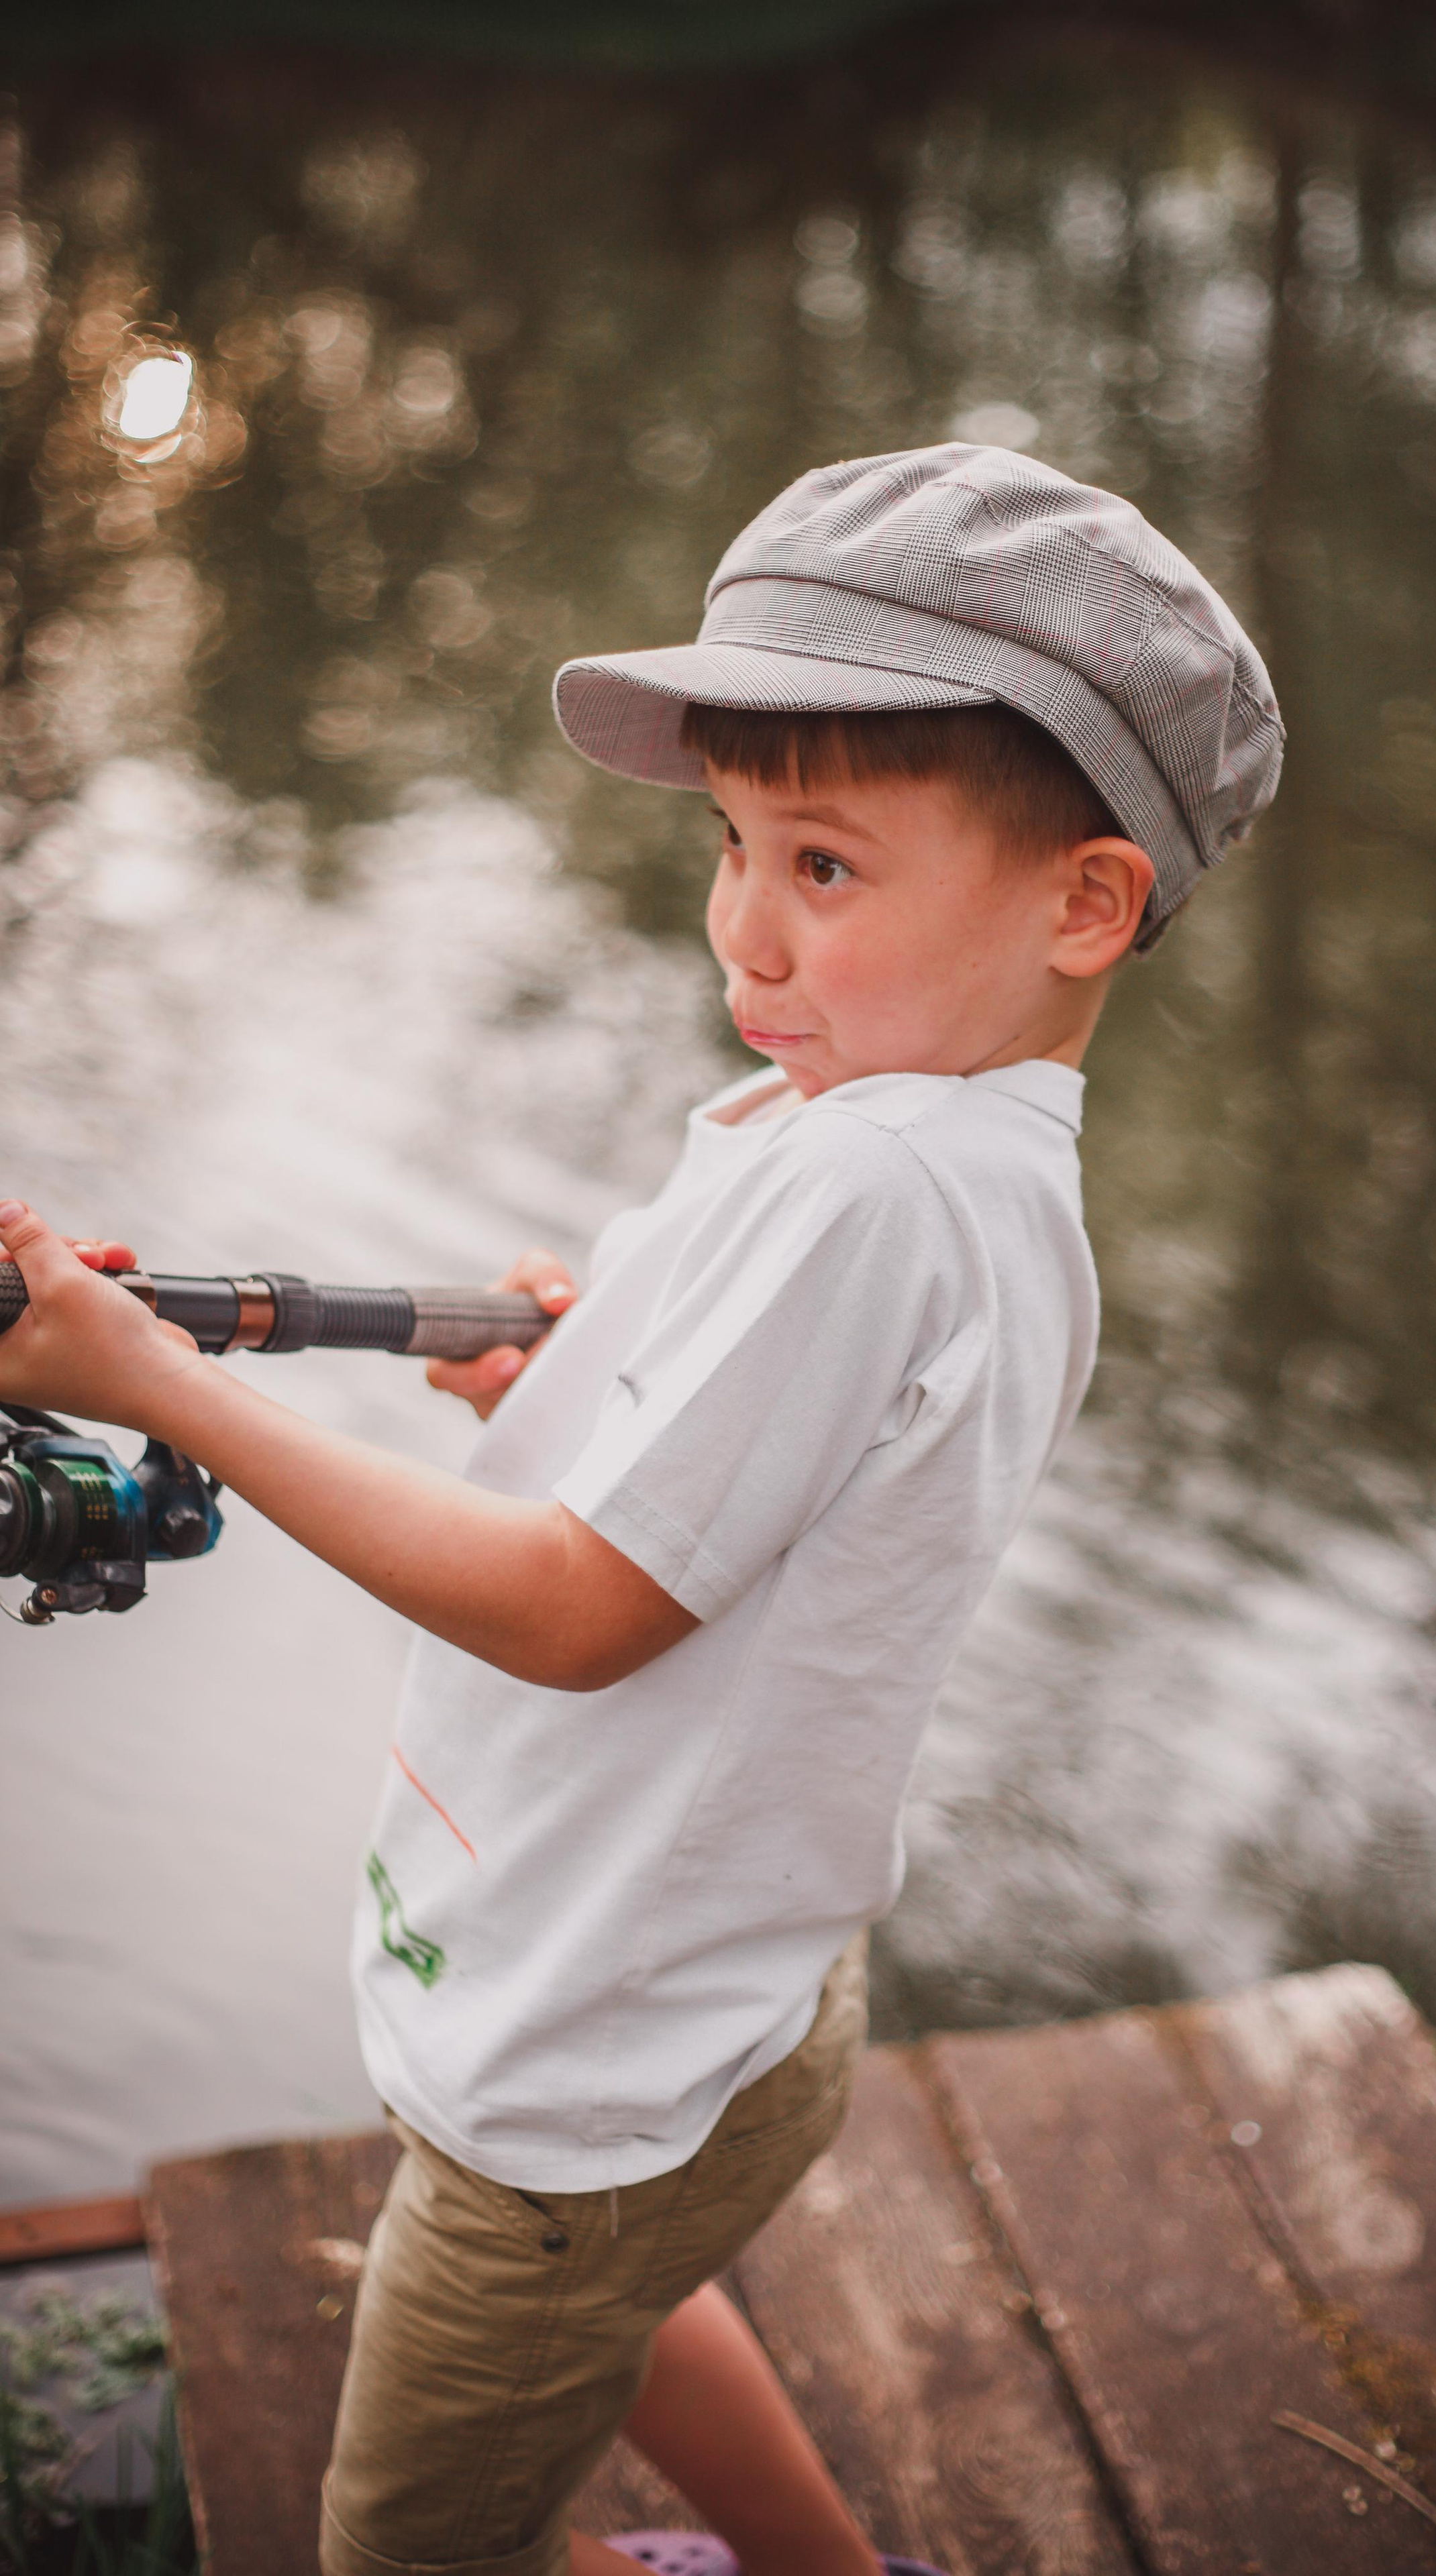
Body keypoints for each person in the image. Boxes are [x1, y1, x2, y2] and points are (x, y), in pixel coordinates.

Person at [0, 443, 1282, 2576]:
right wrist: (563, 1370)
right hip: (727, 2002)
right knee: (628, 2288)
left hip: (585, 2054)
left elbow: (579, 1611)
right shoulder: (916, 1136)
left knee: (399, 2540)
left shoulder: (873, 1185)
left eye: (829, 868)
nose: (742, 927)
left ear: (1082, 902)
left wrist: (161, 1396)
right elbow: (796, 1437)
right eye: (731, 842)